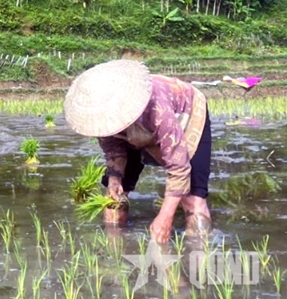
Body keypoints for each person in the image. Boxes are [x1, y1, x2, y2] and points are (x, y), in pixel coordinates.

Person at [63, 59, 213, 243]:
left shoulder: (158, 109)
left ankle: (199, 251)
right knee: (114, 200)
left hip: (186, 114)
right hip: (139, 125)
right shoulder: (102, 117)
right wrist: (114, 180)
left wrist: (165, 217)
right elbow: (112, 149)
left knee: (192, 201)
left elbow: (179, 167)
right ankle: (114, 248)